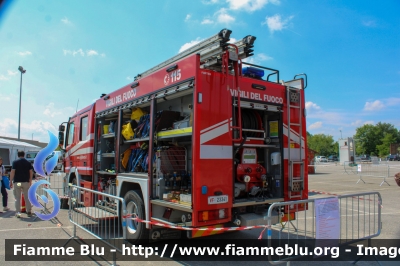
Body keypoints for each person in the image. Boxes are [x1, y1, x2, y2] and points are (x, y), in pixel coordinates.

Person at [9, 151, 33, 218]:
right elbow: (30, 172)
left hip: (18, 182)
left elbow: (13, 172)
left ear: (18, 155)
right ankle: (28, 211)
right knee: (27, 197)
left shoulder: (15, 162)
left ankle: (18, 212)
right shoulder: (28, 163)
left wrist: (10, 181)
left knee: (17, 197)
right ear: (24, 155)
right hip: (25, 182)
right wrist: (30, 180)